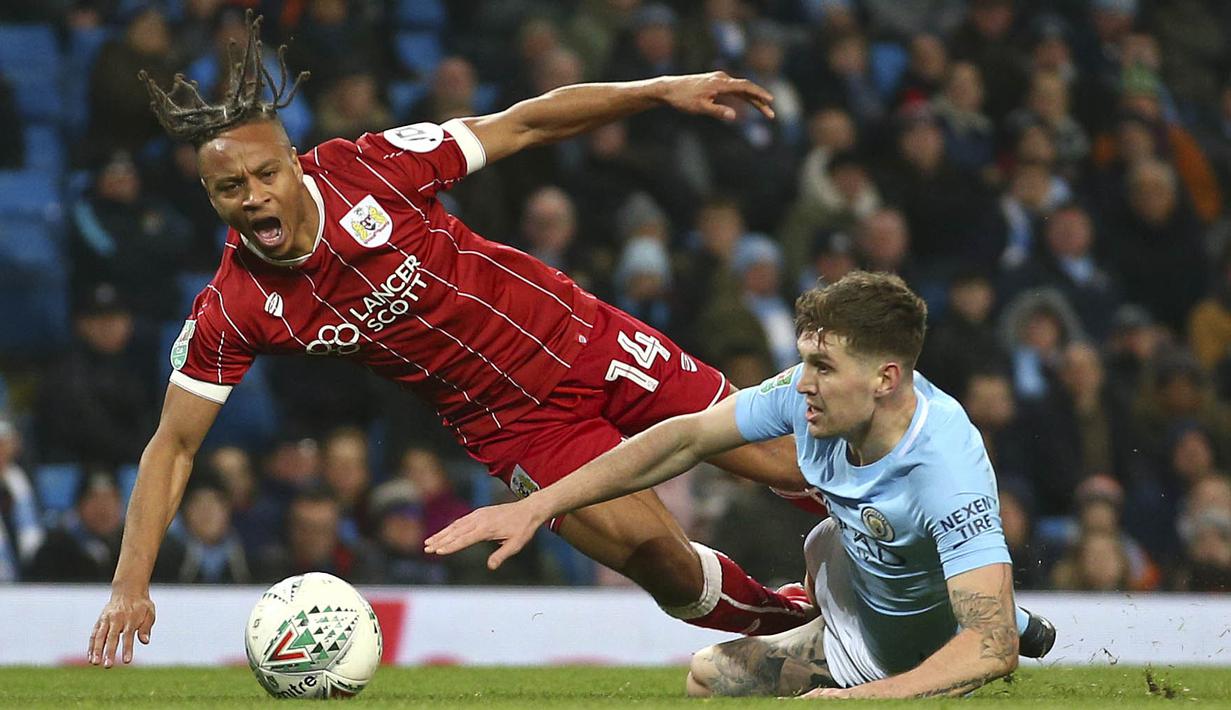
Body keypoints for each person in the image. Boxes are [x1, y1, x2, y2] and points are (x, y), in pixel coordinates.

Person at [87, 13, 815, 668]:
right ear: (209, 195)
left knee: (787, 465)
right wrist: (129, 584)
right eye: (228, 188)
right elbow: (173, 446)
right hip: (515, 427)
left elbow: (525, 123)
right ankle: (802, 625)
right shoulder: (236, 306)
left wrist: (656, 90)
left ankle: (916, 557)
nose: (251, 196)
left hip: (582, 338)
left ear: (292, 160)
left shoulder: (367, 167)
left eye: (264, 172)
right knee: (666, 567)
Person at [426, 272, 1057, 698]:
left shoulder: (946, 467)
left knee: (904, 578)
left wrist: (857, 702)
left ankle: (974, 604)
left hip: (921, 657)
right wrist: (537, 505)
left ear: (886, 378)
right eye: (805, 358)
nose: (801, 381)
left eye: (822, 366)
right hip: (855, 599)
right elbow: (683, 439)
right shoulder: (807, 398)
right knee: (711, 671)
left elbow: (990, 648)